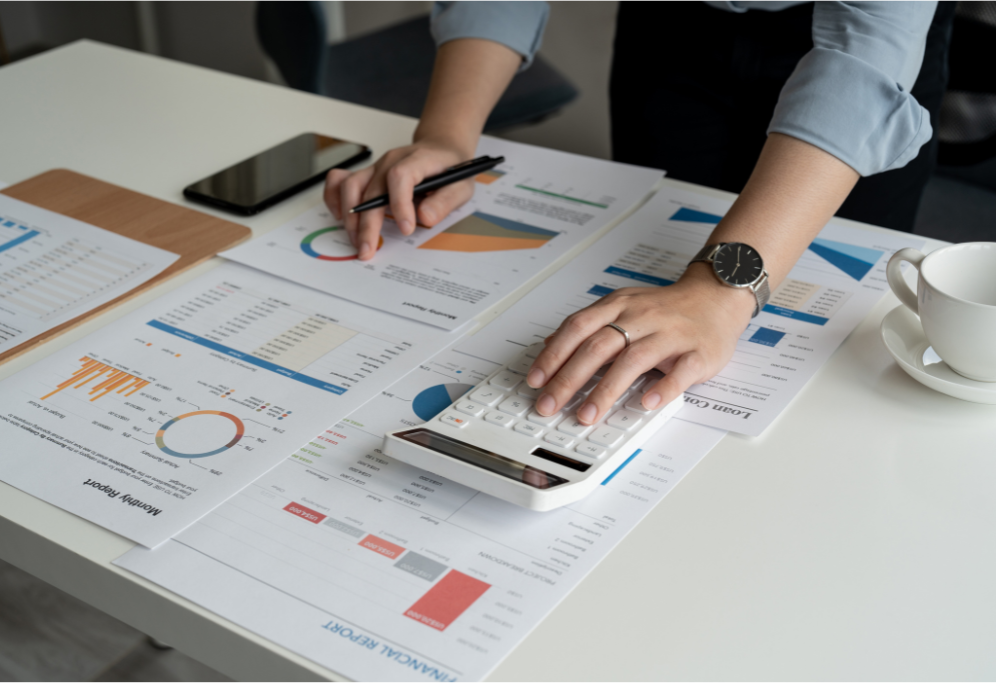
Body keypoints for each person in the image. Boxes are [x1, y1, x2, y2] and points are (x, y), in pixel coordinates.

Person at [324, 1, 953, 430]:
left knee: (850, 337)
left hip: (866, 48)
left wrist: (719, 291)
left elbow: (866, 55)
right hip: (672, 27)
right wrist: (446, 137)